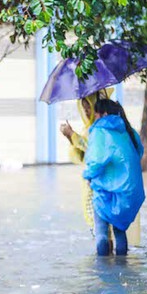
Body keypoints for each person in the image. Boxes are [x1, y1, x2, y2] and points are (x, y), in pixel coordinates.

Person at [83, 99, 144, 256]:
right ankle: (122, 267)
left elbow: (96, 161)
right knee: (119, 231)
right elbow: (139, 153)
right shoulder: (128, 130)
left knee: (101, 232)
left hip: (106, 192)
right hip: (129, 192)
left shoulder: (100, 131)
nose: (95, 118)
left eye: (96, 114)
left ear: (103, 114)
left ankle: (102, 273)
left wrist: (87, 176)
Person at [59, 89, 113, 231]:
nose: (87, 110)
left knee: (103, 229)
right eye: (84, 107)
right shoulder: (88, 128)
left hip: (102, 184)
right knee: (98, 228)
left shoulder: (104, 128)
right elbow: (81, 157)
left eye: (89, 106)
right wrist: (70, 137)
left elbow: (94, 151)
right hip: (92, 183)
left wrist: (73, 135)